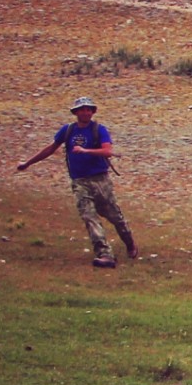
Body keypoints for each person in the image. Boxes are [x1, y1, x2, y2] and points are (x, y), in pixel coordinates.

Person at [16, 96, 137, 269]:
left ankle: (130, 243)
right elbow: (51, 148)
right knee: (89, 216)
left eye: (88, 109)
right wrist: (28, 163)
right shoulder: (68, 130)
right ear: (75, 112)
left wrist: (85, 150)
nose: (85, 112)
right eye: (81, 109)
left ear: (93, 111)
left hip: (100, 180)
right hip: (79, 181)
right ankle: (104, 254)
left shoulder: (99, 129)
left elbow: (107, 151)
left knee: (114, 216)